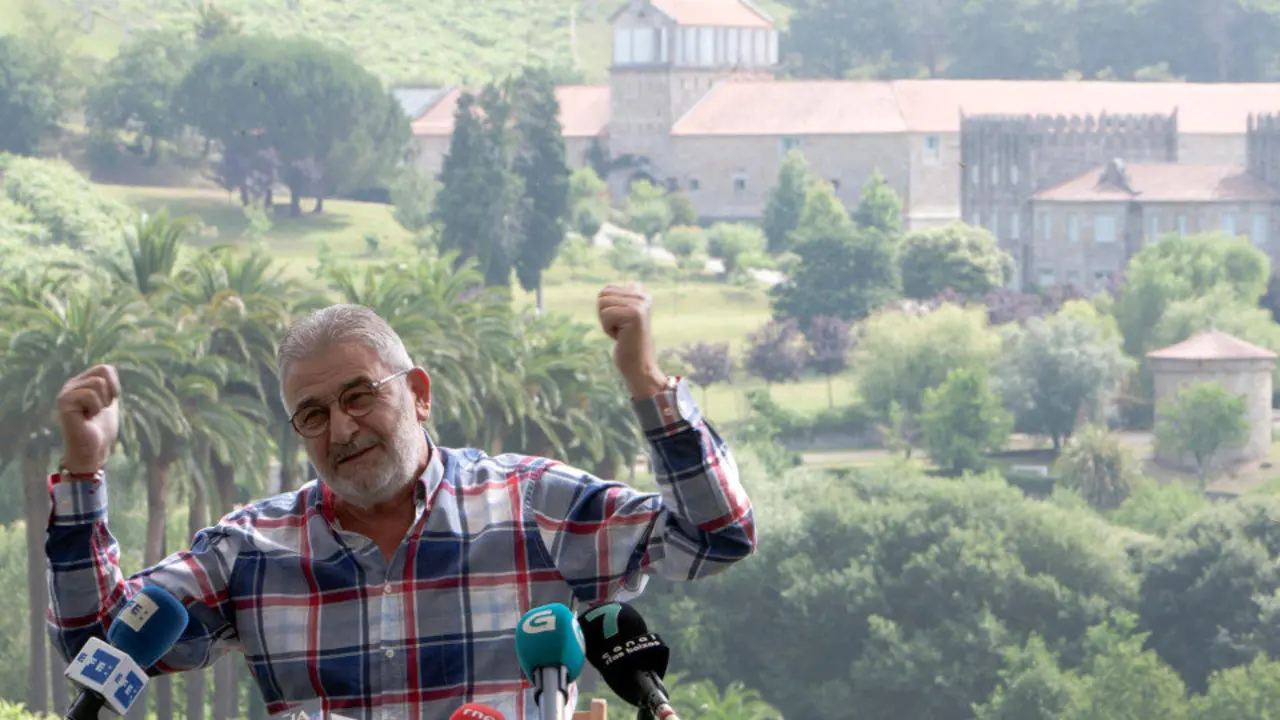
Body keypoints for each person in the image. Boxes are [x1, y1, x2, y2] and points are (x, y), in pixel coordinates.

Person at [46, 283, 755, 720]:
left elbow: (714, 536)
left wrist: (645, 379)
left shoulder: (532, 505)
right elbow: (96, 643)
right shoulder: (250, 552)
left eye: (360, 395)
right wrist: (85, 470)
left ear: (417, 393)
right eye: (313, 414)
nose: (342, 428)